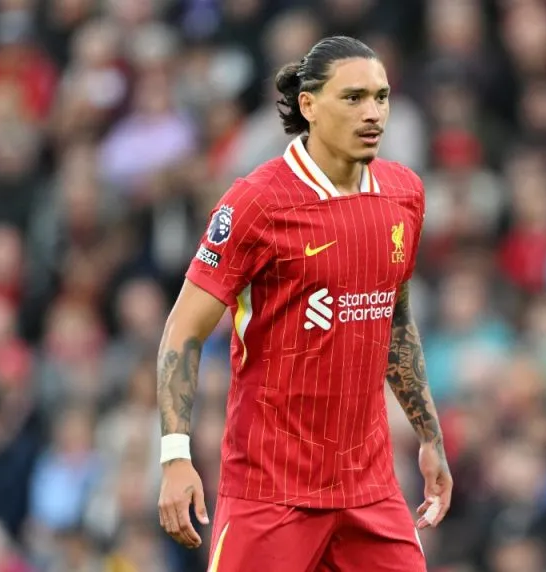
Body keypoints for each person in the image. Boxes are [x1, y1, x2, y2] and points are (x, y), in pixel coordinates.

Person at [154, 36, 452, 572]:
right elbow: (183, 331)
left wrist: (429, 436)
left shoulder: (404, 193)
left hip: (370, 490)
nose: (373, 113)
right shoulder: (257, 202)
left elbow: (395, 321)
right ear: (309, 105)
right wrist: (176, 456)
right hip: (272, 492)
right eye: (354, 97)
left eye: (381, 98)